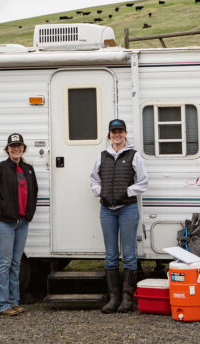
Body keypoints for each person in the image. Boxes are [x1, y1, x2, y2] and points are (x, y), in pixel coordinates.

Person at [90, 119, 148, 313]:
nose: (117, 135)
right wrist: (101, 191)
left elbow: (143, 182)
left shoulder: (134, 156)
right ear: (109, 135)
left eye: (120, 131)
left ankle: (127, 299)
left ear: (125, 134)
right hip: (107, 210)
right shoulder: (102, 156)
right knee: (110, 255)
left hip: (127, 209)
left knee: (129, 255)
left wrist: (126, 192)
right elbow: (93, 180)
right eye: (113, 132)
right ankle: (113, 298)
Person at [0, 133, 38, 316]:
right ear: (7, 149)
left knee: (16, 263)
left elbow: (34, 193)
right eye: (12, 146)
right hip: (4, 223)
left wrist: (29, 213)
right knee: (4, 263)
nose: (16, 149)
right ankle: (1, 305)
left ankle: (14, 302)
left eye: (19, 146)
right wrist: (4, 208)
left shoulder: (28, 169)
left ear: (24, 148)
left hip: (22, 223)